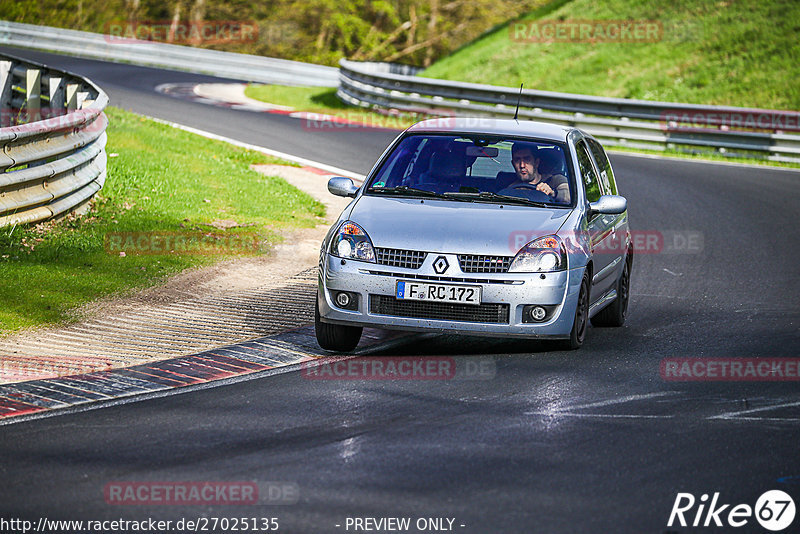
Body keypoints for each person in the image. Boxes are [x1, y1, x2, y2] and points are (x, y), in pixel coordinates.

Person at [499, 143, 570, 203]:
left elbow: (570, 197)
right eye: (517, 160)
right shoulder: (509, 187)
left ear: (536, 162)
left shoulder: (555, 180)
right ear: (513, 163)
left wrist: (553, 193)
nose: (522, 165)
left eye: (527, 159)